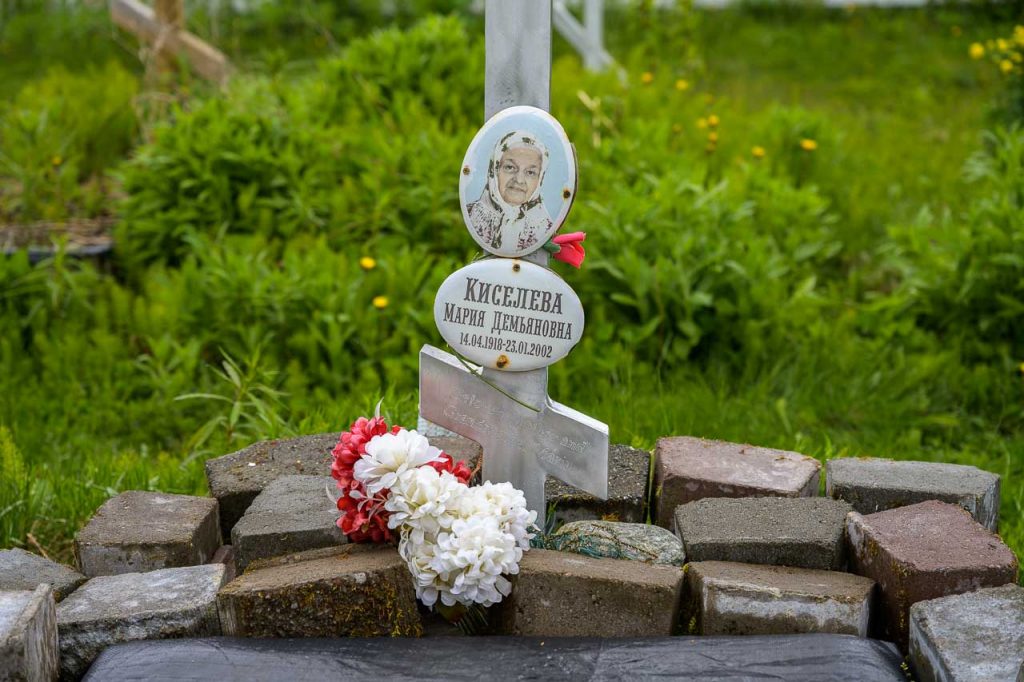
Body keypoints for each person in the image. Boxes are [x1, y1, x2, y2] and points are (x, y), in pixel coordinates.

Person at [466, 131, 553, 254]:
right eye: (510, 167)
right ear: (494, 170)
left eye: (530, 172)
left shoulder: (545, 229)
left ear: (540, 179)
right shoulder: (469, 217)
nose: (519, 180)